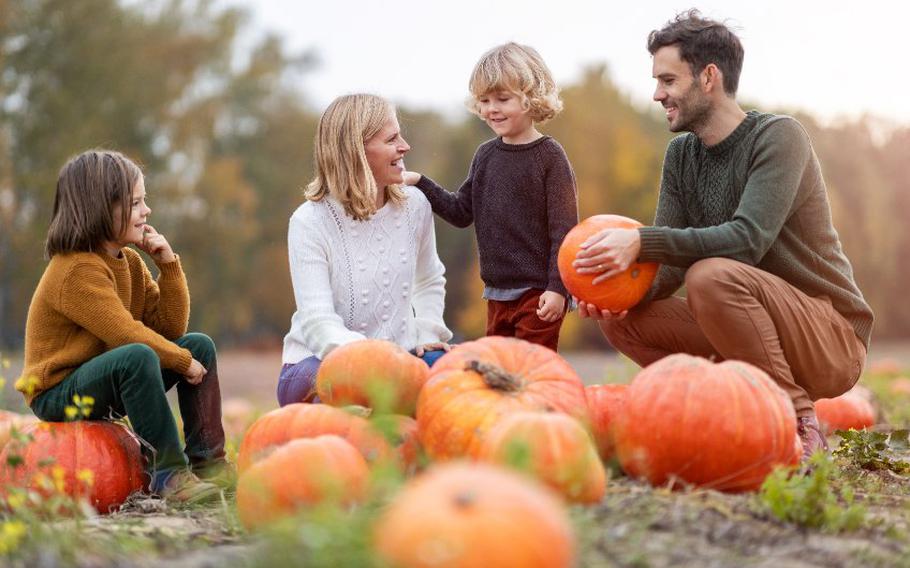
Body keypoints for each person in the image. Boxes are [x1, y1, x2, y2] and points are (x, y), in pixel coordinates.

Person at [573, 10, 873, 461]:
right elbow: (670, 266)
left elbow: (747, 239)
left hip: (829, 337)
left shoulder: (779, 137)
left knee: (711, 275)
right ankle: (721, 415)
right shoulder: (681, 156)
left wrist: (641, 241)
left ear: (708, 77)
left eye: (668, 80)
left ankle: (797, 421)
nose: (658, 94)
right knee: (622, 315)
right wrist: (616, 292)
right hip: (742, 322)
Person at [18, 150, 229, 504]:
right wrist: (180, 362)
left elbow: (169, 329)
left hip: (106, 379)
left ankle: (210, 466)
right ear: (100, 208)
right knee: (137, 355)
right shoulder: (75, 270)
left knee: (198, 346)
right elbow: (125, 334)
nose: (146, 211)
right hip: (58, 392)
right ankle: (170, 475)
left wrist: (168, 266)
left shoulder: (129, 262)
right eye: (135, 203)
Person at [279, 94, 453, 406]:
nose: (404, 146)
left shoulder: (415, 205)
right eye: (392, 139)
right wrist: (378, 362)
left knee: (457, 377)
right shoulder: (309, 222)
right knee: (338, 400)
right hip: (319, 361)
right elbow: (318, 321)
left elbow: (428, 281)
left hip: (404, 358)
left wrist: (428, 334)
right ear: (356, 151)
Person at [403, 42, 579, 352]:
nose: (490, 109)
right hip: (496, 294)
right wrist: (420, 182)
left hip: (537, 295)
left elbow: (564, 232)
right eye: (483, 100)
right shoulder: (485, 155)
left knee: (529, 371)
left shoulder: (550, 157)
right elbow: (460, 211)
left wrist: (558, 289)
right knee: (498, 373)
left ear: (531, 98)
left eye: (502, 99)